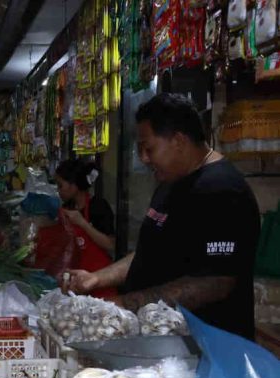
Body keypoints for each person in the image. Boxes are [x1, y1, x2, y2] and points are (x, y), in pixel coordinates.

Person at [67, 93, 260, 339]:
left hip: (206, 349)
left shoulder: (223, 190)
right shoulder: (170, 181)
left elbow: (215, 282)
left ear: (178, 141)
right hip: (160, 343)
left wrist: (124, 304)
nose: (144, 159)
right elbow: (151, 252)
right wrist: (96, 279)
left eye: (149, 149)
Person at [54, 159, 116, 299]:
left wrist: (82, 223)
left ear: (73, 186)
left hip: (100, 280)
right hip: (75, 281)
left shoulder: (98, 206)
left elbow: (110, 244)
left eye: (60, 185)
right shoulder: (66, 208)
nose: (58, 191)